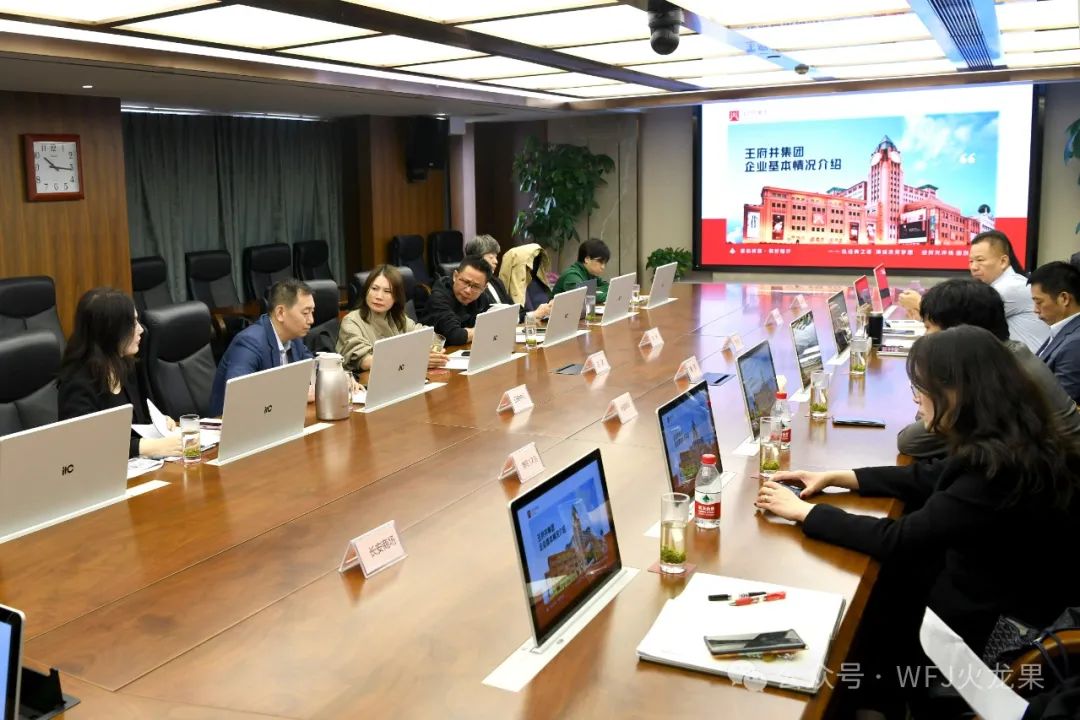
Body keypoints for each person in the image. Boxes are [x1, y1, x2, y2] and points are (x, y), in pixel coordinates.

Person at [756, 326, 1080, 716]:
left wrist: (806, 512)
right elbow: (930, 476)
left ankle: (871, 704)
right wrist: (840, 477)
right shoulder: (1018, 436)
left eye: (920, 391)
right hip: (1000, 591)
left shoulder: (994, 471)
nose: (916, 403)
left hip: (985, 629)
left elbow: (899, 539)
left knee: (864, 608)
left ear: (955, 393)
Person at [897, 278, 1080, 458]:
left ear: (957, 331)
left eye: (928, 327)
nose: (925, 336)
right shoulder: (1010, 352)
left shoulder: (996, 373)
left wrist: (933, 396)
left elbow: (911, 441)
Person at [58, 287, 181, 459]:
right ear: (111, 331)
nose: (141, 330)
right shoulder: (78, 383)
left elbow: (135, 426)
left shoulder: (125, 366)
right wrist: (147, 447)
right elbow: (85, 446)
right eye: (133, 324)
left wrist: (159, 425)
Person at [898, 231, 1048, 352]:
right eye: (971, 261)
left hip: (1021, 369)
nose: (974, 267)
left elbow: (960, 324)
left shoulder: (1011, 287)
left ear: (1003, 261)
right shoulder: (994, 286)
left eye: (980, 260)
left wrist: (921, 304)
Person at [209, 279, 315, 416]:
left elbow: (313, 372)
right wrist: (295, 394)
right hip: (234, 423)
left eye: (312, 312)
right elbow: (239, 397)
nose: (311, 320)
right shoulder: (249, 343)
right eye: (305, 313)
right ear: (280, 313)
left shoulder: (294, 339)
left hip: (277, 418)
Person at [337, 265, 448, 373]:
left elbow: (428, 336)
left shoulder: (396, 317)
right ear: (366, 291)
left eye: (387, 291)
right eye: (374, 289)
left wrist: (434, 351)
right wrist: (416, 359)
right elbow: (366, 361)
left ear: (396, 297)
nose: (379, 296)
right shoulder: (351, 321)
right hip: (366, 381)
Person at [463, 235, 550, 319]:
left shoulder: (497, 282)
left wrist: (535, 313)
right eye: (491, 257)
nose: (496, 261)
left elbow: (514, 310)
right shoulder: (471, 287)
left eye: (496, 257)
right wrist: (533, 315)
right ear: (477, 258)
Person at [1029, 261, 1080, 404]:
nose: (1035, 310)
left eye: (1039, 302)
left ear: (1064, 298)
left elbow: (1062, 403)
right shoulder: (1063, 330)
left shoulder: (1076, 343)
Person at [421, 255, 493, 346]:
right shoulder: (438, 298)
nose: (468, 291)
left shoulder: (482, 297)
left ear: (484, 288)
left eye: (475, 286)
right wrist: (484, 330)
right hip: (439, 351)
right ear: (455, 276)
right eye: (465, 282)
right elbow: (456, 335)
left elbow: (493, 322)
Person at [552, 238, 611, 303]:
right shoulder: (572, 275)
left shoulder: (590, 274)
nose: (603, 267)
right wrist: (610, 295)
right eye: (600, 262)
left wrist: (594, 292)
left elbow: (608, 287)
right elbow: (585, 297)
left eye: (605, 263)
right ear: (587, 259)